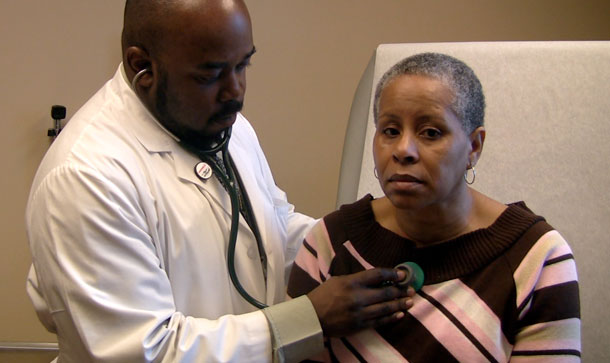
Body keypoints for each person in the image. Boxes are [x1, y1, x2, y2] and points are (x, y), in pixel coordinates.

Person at [25, 1, 416, 362]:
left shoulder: (224, 125)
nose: (236, 92)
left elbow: (273, 228)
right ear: (142, 67)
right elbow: (146, 352)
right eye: (210, 74)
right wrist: (310, 318)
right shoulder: (85, 178)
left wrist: (354, 245)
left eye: (243, 65)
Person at [288, 52, 581, 362]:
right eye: (390, 131)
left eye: (431, 133)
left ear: (474, 146)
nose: (403, 150)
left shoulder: (536, 259)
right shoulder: (330, 243)